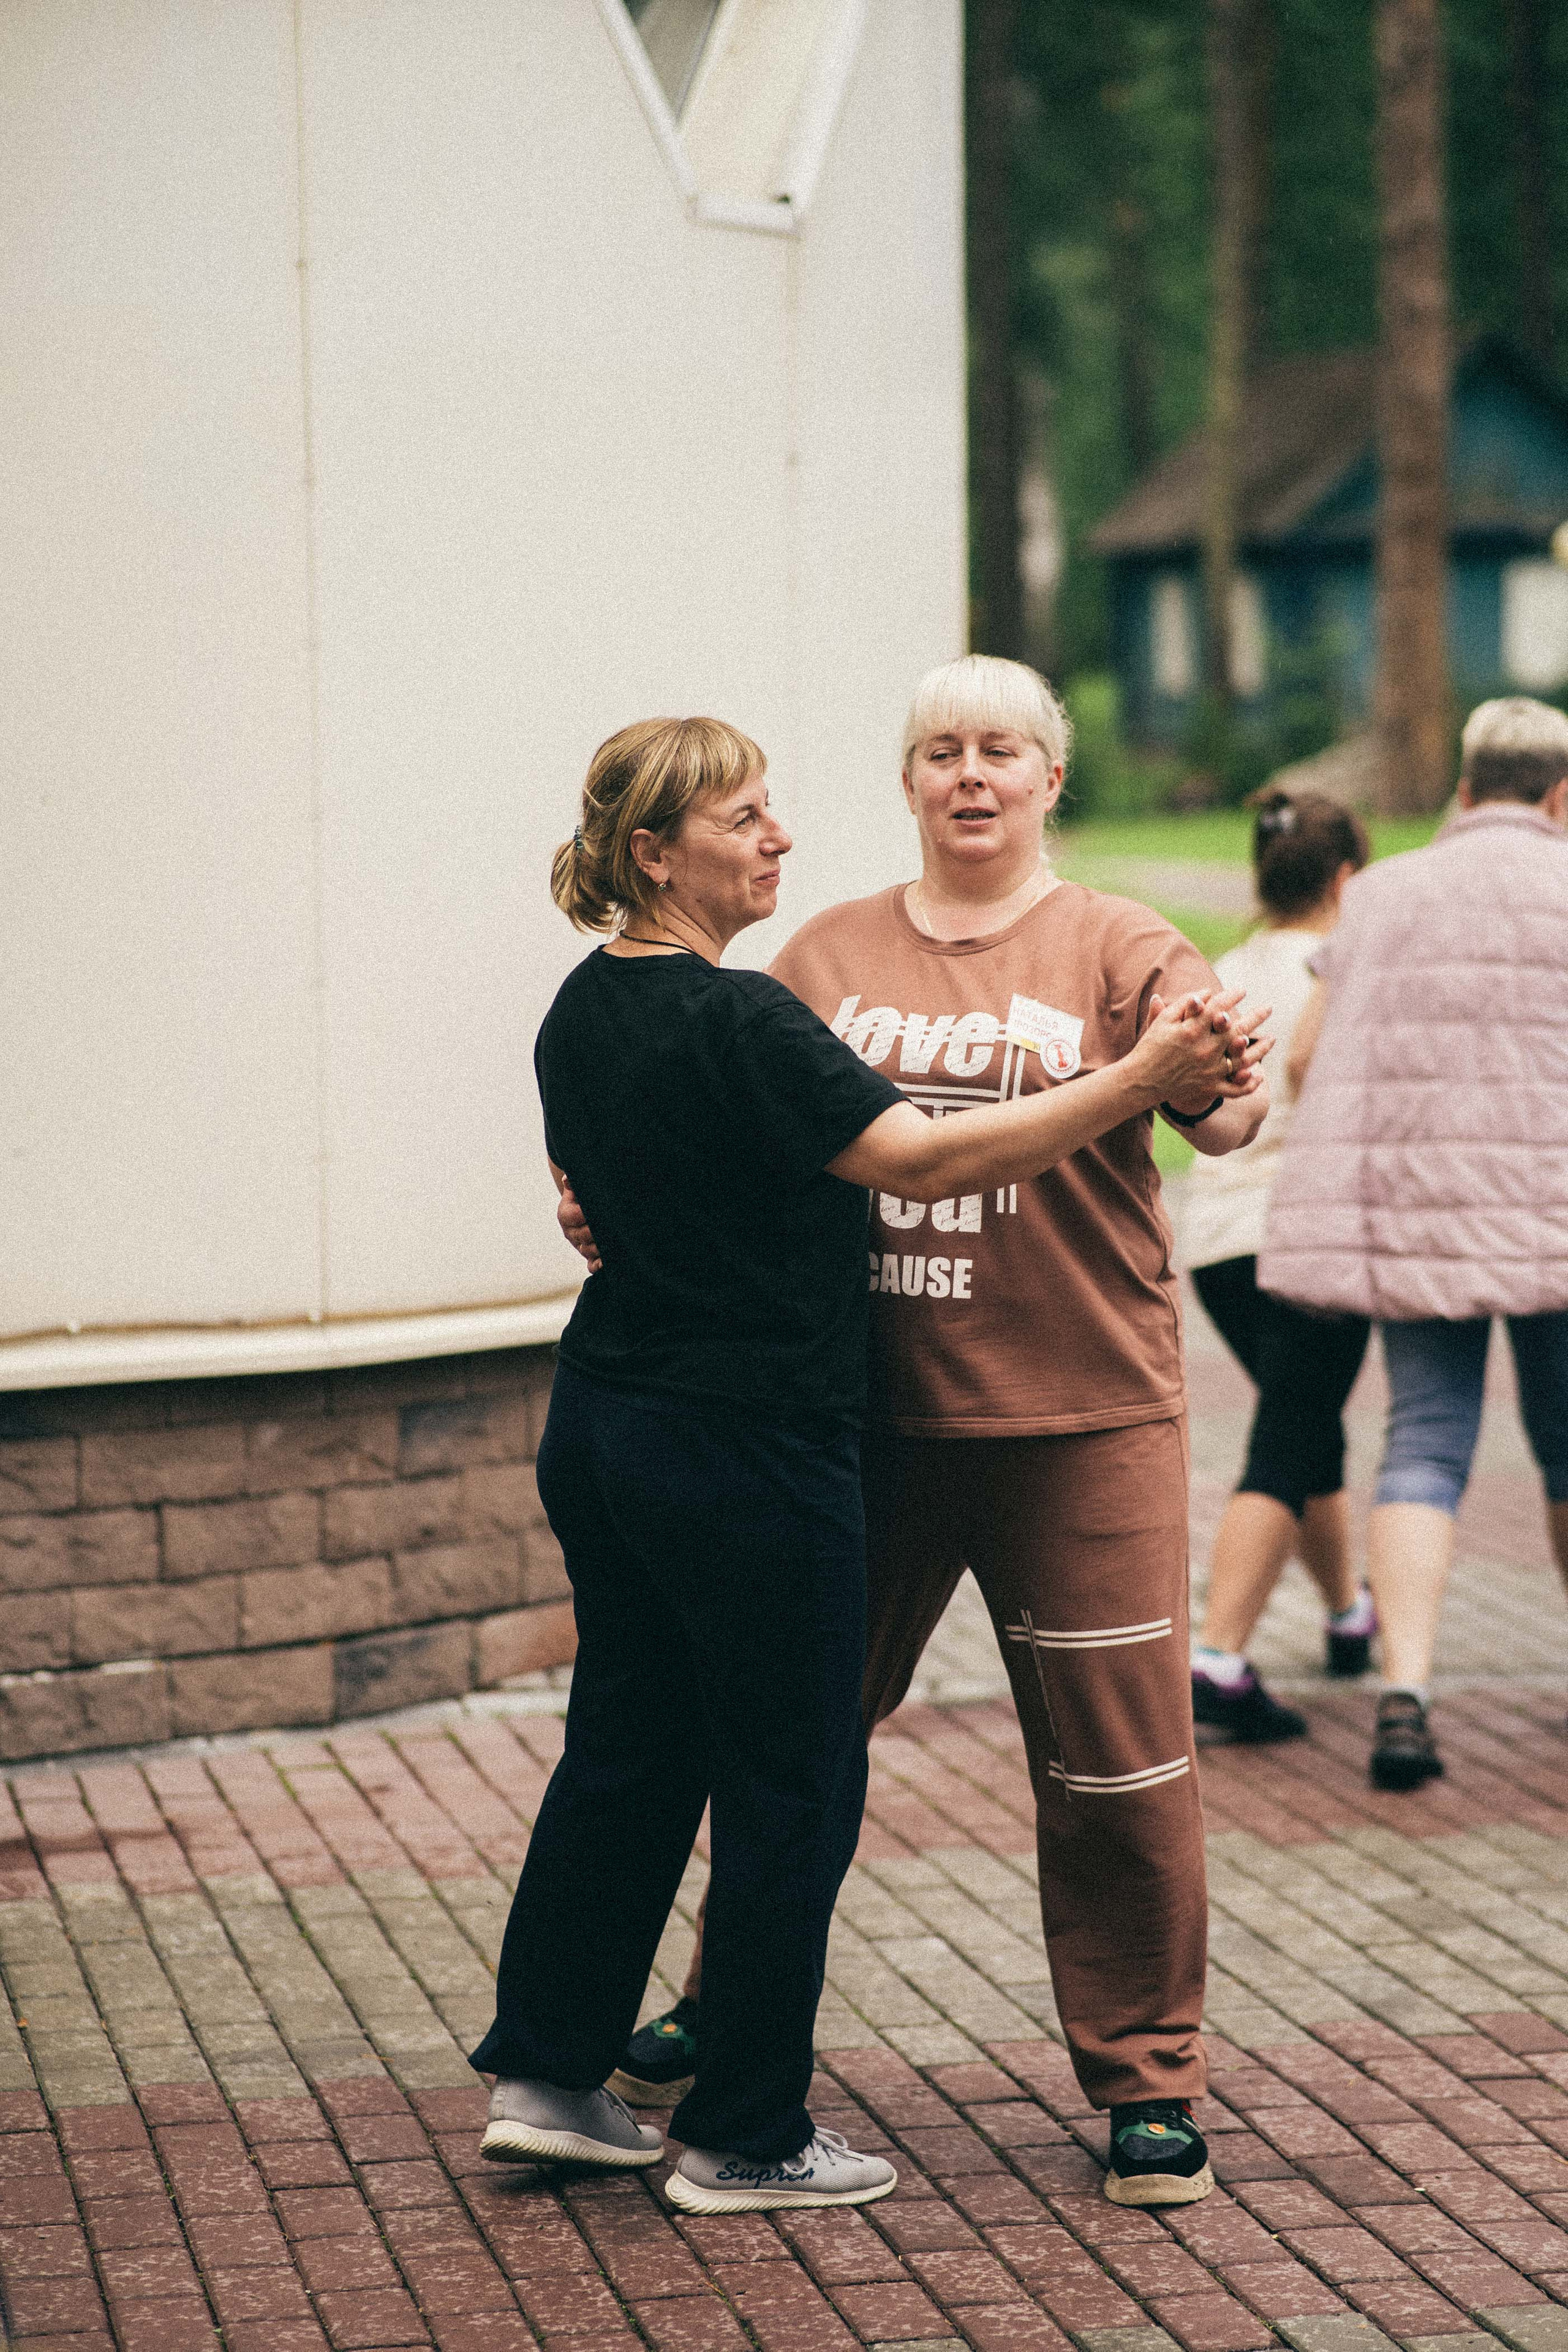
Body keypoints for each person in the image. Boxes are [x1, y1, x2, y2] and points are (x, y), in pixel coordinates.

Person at [474, 712, 1258, 2215]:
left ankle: (549, 2080)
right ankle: (746, 2134)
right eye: (744, 818)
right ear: (654, 853)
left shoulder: (581, 1005)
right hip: (752, 1445)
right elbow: (923, 1158)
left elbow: (638, 1176)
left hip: (610, 1424)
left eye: (774, 810)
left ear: (1048, 779)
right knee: (794, 1780)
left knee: (628, 1754)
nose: (778, 834)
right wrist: (1135, 1077)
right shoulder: (755, 1009)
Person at [1261, 696, 1568, 1791]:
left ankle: (1406, 1694)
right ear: (1562, 794)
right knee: (1565, 1446)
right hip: (1557, 1216)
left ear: (1464, 787)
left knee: (1424, 1444)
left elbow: (1306, 1059)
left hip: (1423, 1209)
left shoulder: (1385, 893)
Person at [1184, 791, 1375, 1743]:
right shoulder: (1348, 972)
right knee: (1289, 1436)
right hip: (1311, 1239)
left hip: (1217, 1246)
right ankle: (1217, 1657)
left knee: (1306, 1423)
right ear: (1346, 877)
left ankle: (1348, 1613)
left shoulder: (1226, 972)